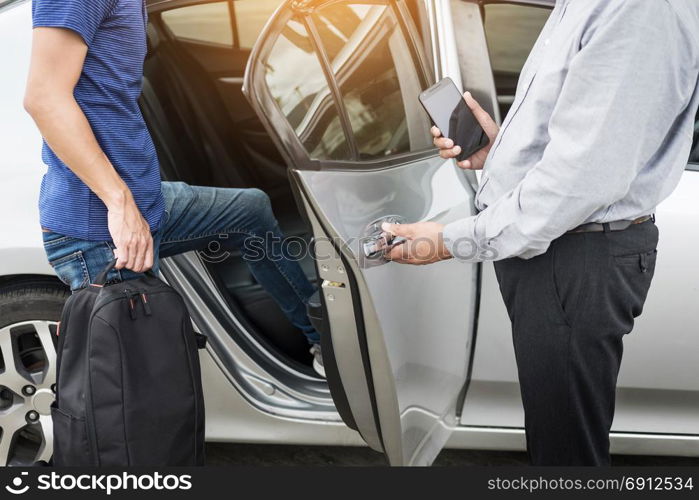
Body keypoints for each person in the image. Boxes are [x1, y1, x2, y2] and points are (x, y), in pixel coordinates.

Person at [383, 0, 699, 465]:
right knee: (558, 447)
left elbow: (580, 182)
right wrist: (500, 152)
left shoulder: (637, 10)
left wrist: (450, 240)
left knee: (565, 460)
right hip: (565, 248)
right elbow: (585, 142)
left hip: (573, 254)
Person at [23, 0, 325, 377]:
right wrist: (119, 204)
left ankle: (320, 341)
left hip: (147, 201)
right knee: (144, 396)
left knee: (251, 210)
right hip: (101, 230)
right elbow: (44, 98)